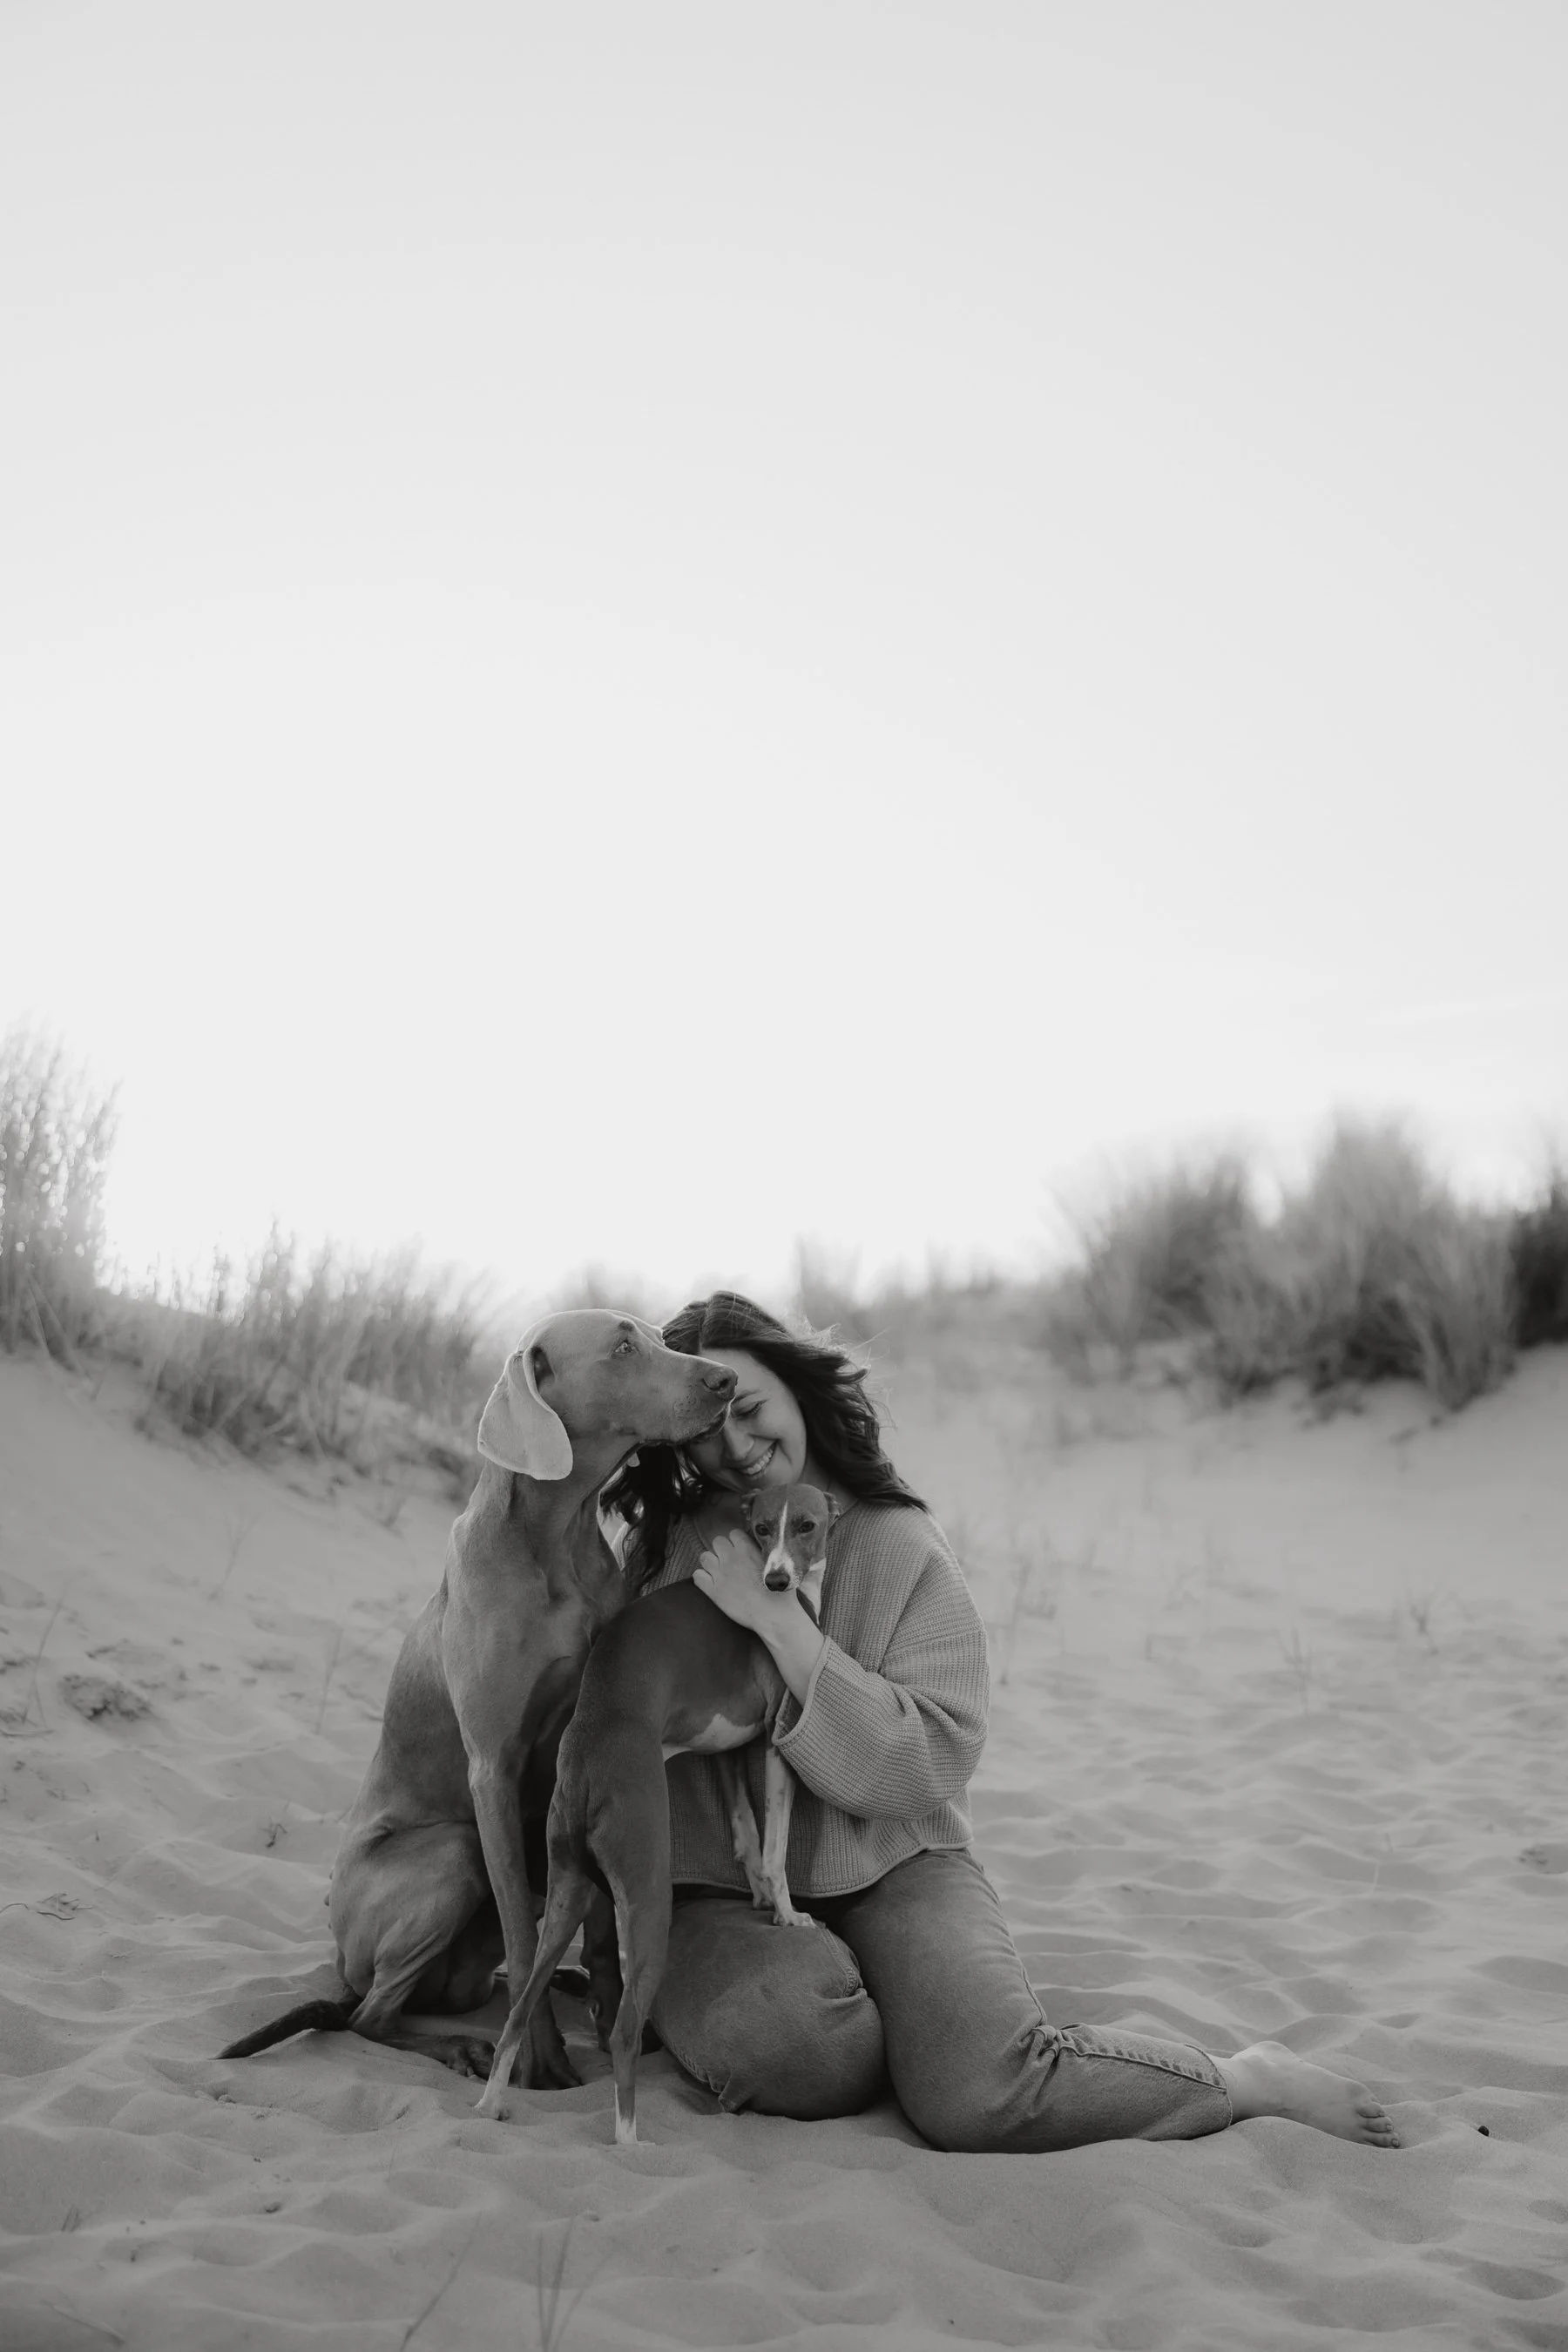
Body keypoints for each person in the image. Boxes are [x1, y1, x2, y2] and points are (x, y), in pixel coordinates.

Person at [601, 1293, 1401, 2153]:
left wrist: (788, 1633)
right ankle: (857, 2020)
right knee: (800, 2048)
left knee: (978, 2093)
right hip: (716, 1895)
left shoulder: (897, 1540)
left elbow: (925, 1764)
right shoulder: (667, 1554)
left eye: (750, 1410)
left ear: (795, 1384)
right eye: (703, 1436)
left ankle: (1244, 2078)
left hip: (896, 1865)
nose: (736, 1451)